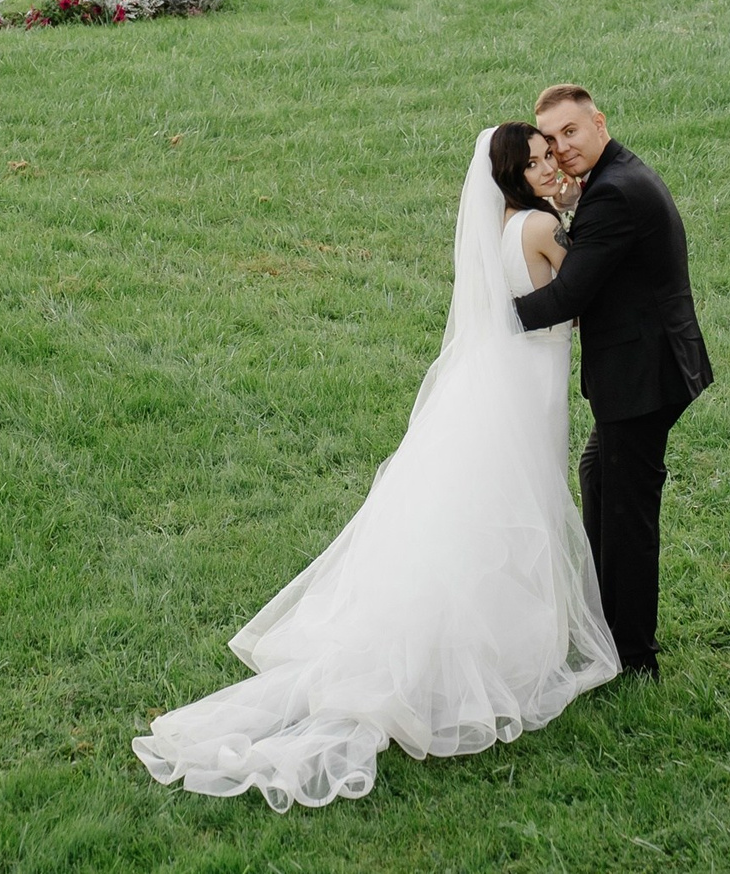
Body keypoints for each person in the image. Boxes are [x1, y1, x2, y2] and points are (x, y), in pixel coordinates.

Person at [134, 125, 619, 811]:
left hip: (492, 377)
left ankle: (480, 632)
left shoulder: (508, 224)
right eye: (534, 162)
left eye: (548, 159)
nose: (546, 168)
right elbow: (585, 293)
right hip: (523, 385)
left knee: (476, 508)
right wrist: (575, 205)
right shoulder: (543, 226)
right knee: (513, 508)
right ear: (512, 176)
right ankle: (496, 644)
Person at [513, 85, 713, 679]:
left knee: (627, 511)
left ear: (598, 123)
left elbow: (568, 295)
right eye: (549, 141)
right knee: (600, 474)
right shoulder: (612, 179)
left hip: (643, 378)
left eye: (571, 132)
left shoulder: (615, 195)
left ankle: (634, 657)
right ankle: (608, 629)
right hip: (645, 367)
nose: (560, 149)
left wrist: (493, 321)